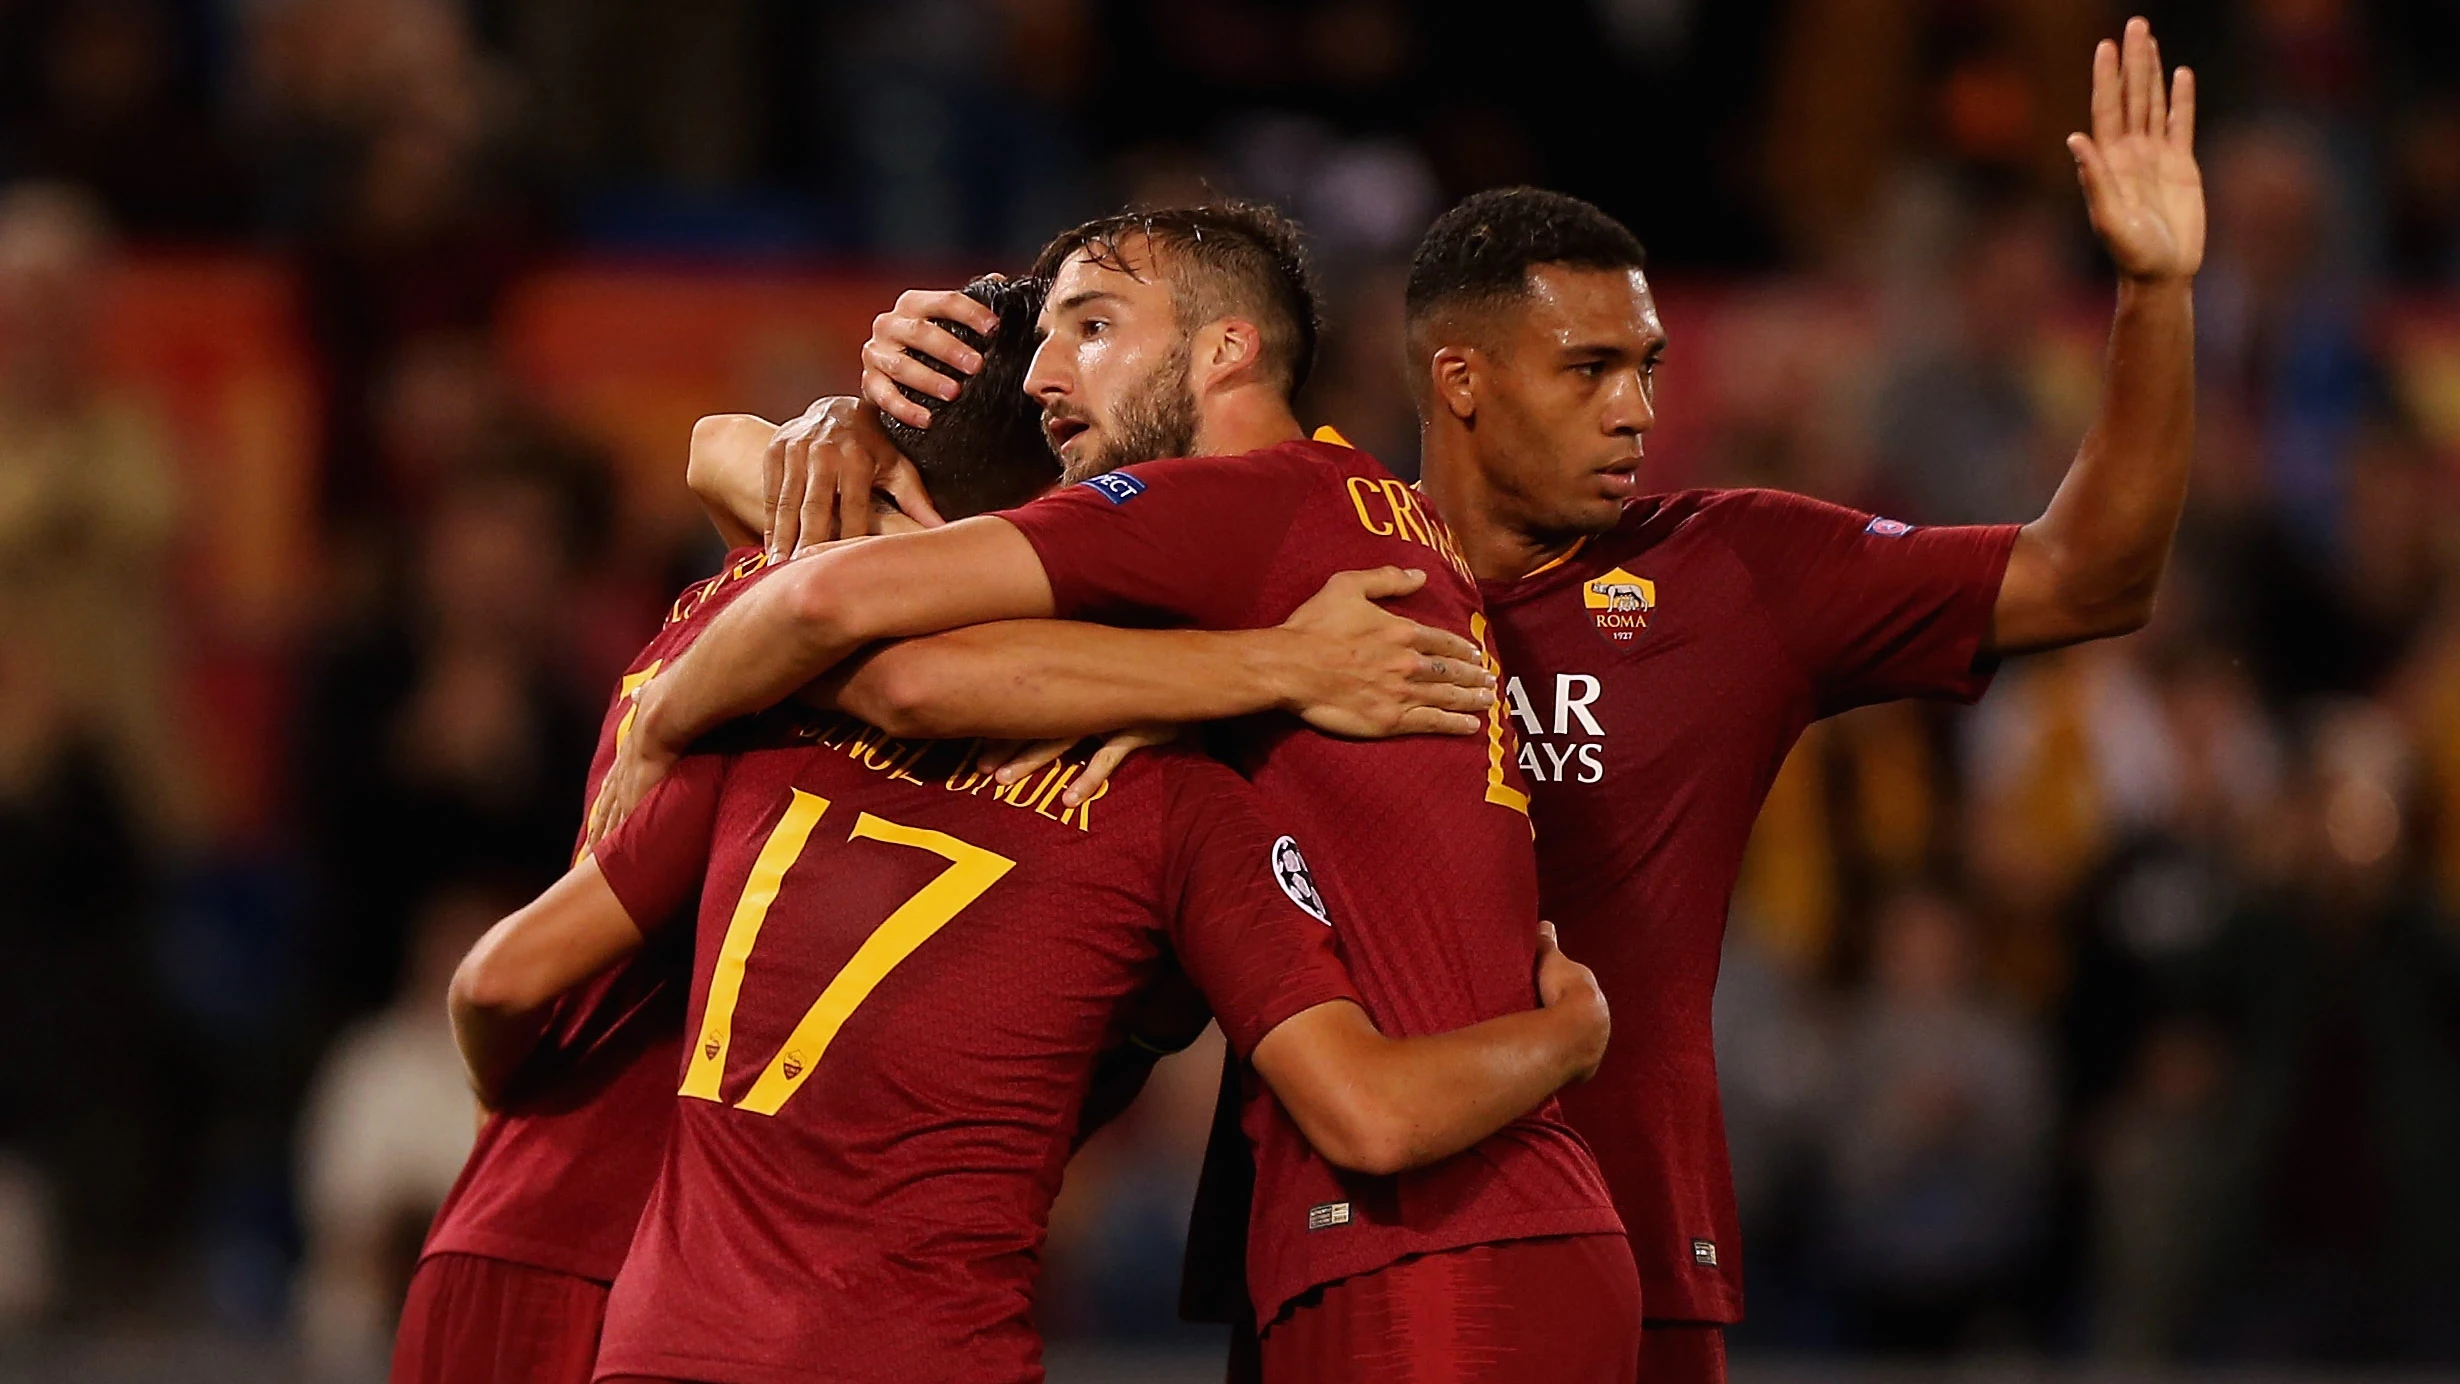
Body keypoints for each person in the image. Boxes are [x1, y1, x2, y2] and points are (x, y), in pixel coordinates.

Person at [842, 18, 2199, 1382]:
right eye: (1591, 371)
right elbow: (1045, 478)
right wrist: (872, 405)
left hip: (1631, 1242)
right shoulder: (1299, 538)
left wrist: (2152, 292)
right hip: (1329, 1236)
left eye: (1649, 368)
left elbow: (2087, 576)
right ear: (1461, 378)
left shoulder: (1736, 572)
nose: (1637, 413)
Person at [593, 204, 1642, 1383]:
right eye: (1043, 338)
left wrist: (674, 714)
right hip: (1468, 1231)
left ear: (1225, 350)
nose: (1049, 373)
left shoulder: (1232, 506)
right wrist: (838, 420)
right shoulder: (1348, 519)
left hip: (1436, 1253)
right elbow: (716, 450)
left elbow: (856, 633)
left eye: (1094, 326)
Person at [392, 275, 1503, 1384]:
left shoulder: (760, 639)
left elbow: (499, 985)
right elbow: (909, 671)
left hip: (583, 1252)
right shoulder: (1111, 774)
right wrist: (1282, 666)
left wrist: (521, 1111)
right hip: (682, 1264)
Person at [453, 694, 1612, 1384]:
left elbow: (497, 982)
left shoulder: (778, 719)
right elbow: (1373, 1110)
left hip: (663, 1349)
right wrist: (1567, 1033)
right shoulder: (1173, 803)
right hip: (919, 1354)